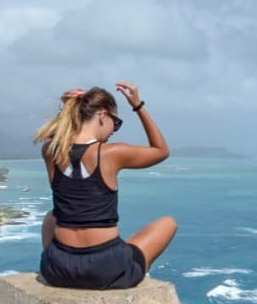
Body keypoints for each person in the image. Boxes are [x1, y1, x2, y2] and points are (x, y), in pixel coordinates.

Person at [35, 81, 177, 290]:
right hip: (105, 269)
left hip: (59, 268)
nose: (114, 131)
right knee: (168, 223)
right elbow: (161, 151)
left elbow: (58, 135)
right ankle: (131, 276)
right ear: (103, 115)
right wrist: (138, 106)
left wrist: (67, 108)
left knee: (51, 217)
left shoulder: (50, 151)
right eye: (116, 122)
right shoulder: (110, 153)